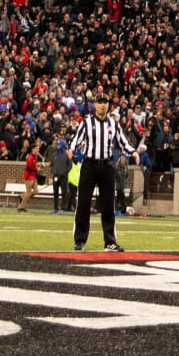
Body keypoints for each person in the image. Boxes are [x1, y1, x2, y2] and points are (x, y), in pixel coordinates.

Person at [67, 98, 131, 252]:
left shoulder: (113, 124)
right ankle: (79, 240)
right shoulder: (87, 122)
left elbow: (123, 142)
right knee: (83, 203)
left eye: (105, 102)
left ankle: (110, 242)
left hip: (107, 166)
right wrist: (71, 149)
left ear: (108, 105)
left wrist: (133, 151)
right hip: (89, 164)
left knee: (109, 204)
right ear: (94, 105)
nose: (103, 105)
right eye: (100, 102)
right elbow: (77, 138)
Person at [17, 142, 44, 212]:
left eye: (38, 148)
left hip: (34, 176)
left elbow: (33, 166)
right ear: (33, 149)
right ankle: (21, 207)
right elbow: (28, 168)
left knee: (36, 191)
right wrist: (36, 169)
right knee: (28, 193)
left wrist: (39, 167)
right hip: (28, 177)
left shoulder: (36, 157)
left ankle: (22, 196)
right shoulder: (30, 157)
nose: (38, 150)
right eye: (37, 148)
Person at [49, 138, 70, 214]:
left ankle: (63, 209)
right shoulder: (54, 154)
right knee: (55, 193)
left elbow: (69, 165)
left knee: (64, 193)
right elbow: (51, 164)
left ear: (61, 145)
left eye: (58, 144)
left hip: (63, 177)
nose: (57, 145)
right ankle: (55, 208)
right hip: (56, 176)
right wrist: (53, 171)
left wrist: (64, 173)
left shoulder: (67, 154)